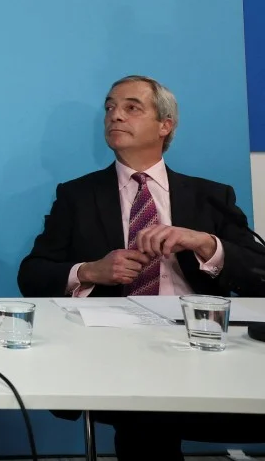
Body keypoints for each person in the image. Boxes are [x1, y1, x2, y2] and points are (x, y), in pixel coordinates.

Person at [17, 75, 265, 460]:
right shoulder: (77, 195)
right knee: (146, 414)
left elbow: (259, 274)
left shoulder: (211, 196)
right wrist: (90, 271)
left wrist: (205, 244)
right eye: (110, 108)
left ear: (165, 125)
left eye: (132, 107)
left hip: (201, 342)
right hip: (117, 348)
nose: (115, 116)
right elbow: (31, 275)